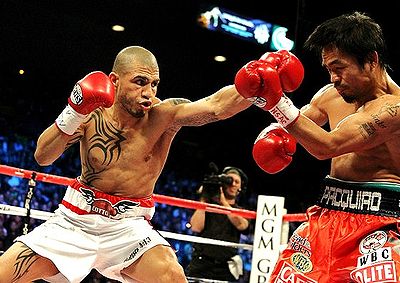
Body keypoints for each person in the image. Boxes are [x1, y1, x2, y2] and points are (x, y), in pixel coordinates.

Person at [0, 46, 254, 283]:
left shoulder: (163, 115)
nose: (148, 93)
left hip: (129, 227)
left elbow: (217, 106)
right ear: (114, 80)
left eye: (154, 84)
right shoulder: (92, 114)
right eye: (140, 82)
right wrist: (73, 112)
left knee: (172, 275)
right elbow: (43, 156)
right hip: (75, 221)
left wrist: (258, 83)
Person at [235, 11, 400, 282]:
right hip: (326, 216)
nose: (334, 77)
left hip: (380, 225)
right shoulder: (330, 95)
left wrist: (274, 101)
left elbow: (328, 145)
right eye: (329, 70)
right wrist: (271, 132)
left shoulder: (395, 109)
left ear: (371, 60)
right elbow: (294, 126)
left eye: (339, 67)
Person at [185, 165, 250, 282]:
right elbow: (195, 227)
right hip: (201, 263)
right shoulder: (208, 206)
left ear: (241, 187)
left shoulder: (242, 211)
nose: (233, 184)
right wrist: (204, 199)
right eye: (229, 180)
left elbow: (242, 225)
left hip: (225, 267)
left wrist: (223, 202)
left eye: (237, 182)